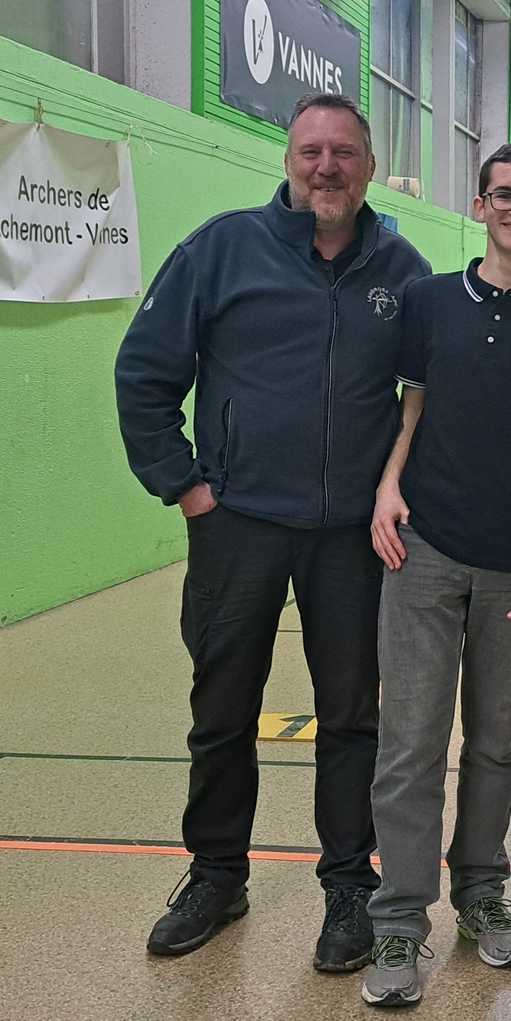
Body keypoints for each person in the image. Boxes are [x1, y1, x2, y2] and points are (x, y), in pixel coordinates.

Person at [114, 93, 431, 968]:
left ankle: (349, 887)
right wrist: (186, 488)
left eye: (344, 152)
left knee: (352, 717)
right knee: (222, 709)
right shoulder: (221, 249)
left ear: (370, 168)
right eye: (310, 151)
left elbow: (429, 396)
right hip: (238, 526)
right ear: (288, 159)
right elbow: (143, 374)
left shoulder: (403, 270)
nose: (327, 167)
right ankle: (217, 874)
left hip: (353, 537)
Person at [361, 143, 511, 1007]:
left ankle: (480, 892)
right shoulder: (430, 301)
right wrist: (389, 484)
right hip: (423, 550)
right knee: (411, 742)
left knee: (495, 742)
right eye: (503, 193)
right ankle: (398, 920)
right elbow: (413, 406)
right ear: (479, 204)